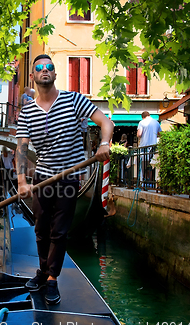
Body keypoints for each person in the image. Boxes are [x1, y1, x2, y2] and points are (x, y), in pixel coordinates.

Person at [16, 54, 113, 305]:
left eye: (49, 67)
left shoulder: (73, 100)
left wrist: (104, 143)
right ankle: (42, 270)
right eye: (40, 68)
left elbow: (106, 122)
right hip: (43, 178)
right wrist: (22, 181)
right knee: (40, 229)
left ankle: (51, 279)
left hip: (69, 178)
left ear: (55, 74)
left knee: (59, 232)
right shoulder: (27, 112)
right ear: (33, 76)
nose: (45, 70)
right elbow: (22, 149)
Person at [137, 111, 162, 183]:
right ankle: (151, 181)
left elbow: (139, 134)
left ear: (143, 117)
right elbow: (160, 134)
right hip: (153, 147)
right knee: (152, 165)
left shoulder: (142, 122)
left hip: (143, 147)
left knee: (143, 166)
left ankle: (143, 181)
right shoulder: (156, 122)